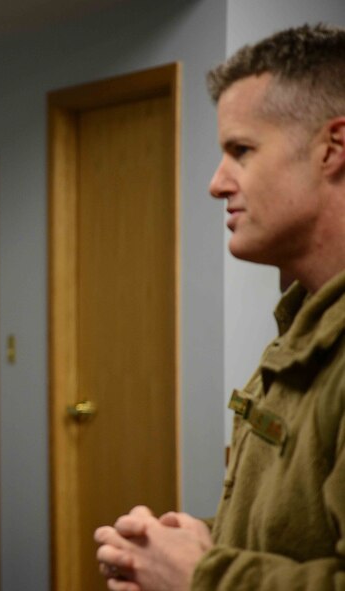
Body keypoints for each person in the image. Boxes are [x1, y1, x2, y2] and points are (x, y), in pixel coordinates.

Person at [94, 23, 345, 591]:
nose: (216, 183)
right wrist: (184, 547)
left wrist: (199, 574)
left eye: (241, 151)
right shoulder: (304, 326)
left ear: (332, 148)